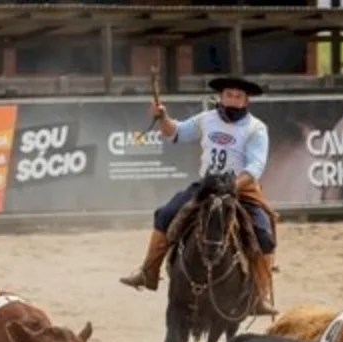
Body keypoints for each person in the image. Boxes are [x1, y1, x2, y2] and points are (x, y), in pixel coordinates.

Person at [119, 75, 277, 316]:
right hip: (207, 184)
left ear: (246, 101)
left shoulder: (256, 129)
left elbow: (255, 168)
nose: (233, 101)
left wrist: (231, 187)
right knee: (166, 214)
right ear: (221, 97)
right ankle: (148, 273)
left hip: (242, 190)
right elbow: (176, 133)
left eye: (238, 96)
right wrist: (162, 118)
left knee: (264, 234)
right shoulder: (206, 119)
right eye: (228, 95)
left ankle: (259, 296)